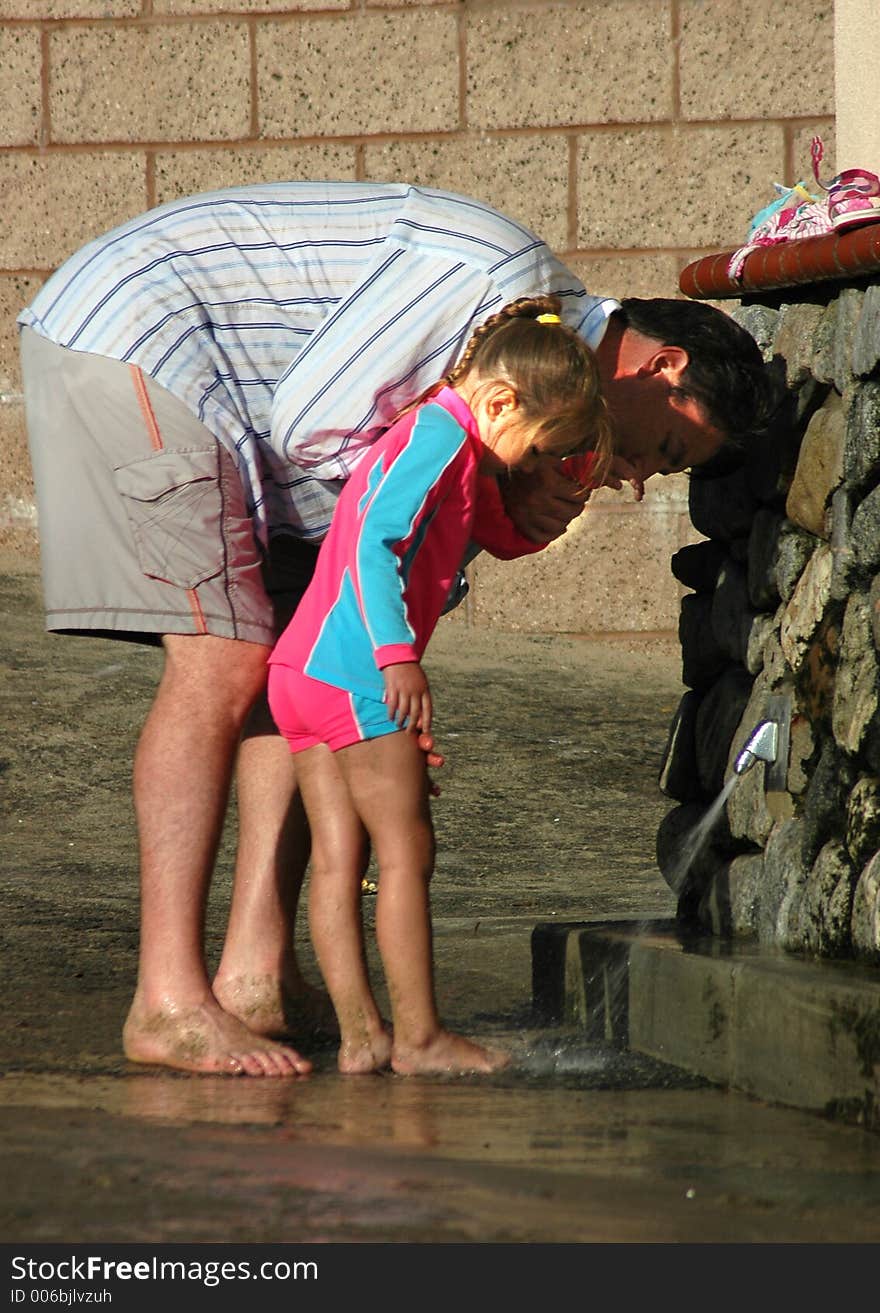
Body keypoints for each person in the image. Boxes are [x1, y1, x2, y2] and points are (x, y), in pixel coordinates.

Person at [17, 181, 779, 1077]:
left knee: (293, 671)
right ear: (665, 367)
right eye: (670, 450)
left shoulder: (532, 385)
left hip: (231, 407)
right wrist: (488, 492)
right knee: (221, 661)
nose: (644, 476)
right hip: (142, 335)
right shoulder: (502, 285)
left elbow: (393, 530)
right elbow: (316, 426)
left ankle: (255, 971)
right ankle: (168, 999)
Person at [267, 295, 612, 1075]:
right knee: (404, 852)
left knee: (336, 857)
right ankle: (420, 1038)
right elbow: (372, 544)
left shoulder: (440, 440)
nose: (526, 465)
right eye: (534, 449)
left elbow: (483, 530)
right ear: (499, 402)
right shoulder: (439, 437)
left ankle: (364, 1039)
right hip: (355, 665)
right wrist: (396, 657)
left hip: (303, 668)